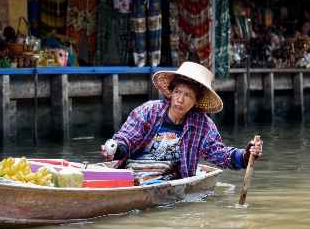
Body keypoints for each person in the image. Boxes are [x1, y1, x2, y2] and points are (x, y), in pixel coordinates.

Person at [100, 61, 263, 184]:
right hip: (132, 172)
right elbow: (126, 139)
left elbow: (220, 155)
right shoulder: (149, 111)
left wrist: (246, 154)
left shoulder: (202, 125)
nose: (180, 99)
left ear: (196, 101)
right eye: (177, 92)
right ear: (170, 93)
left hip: (165, 179)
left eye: (188, 95)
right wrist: (115, 149)